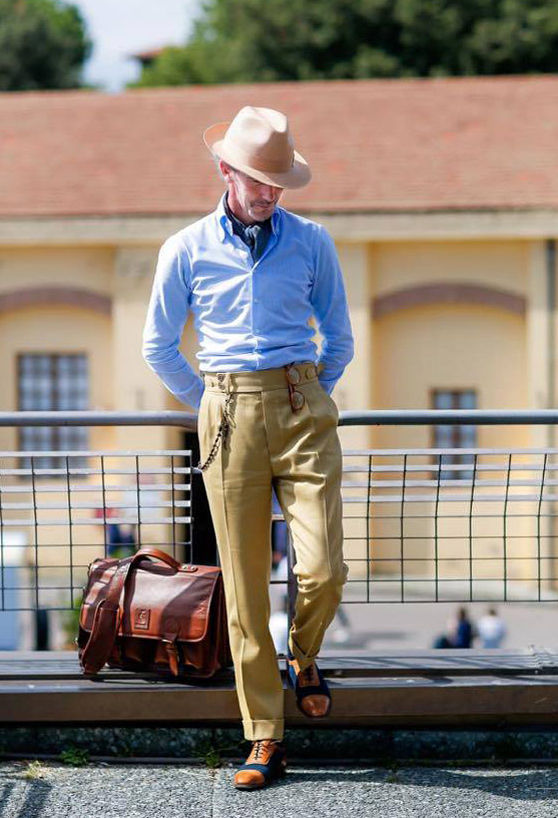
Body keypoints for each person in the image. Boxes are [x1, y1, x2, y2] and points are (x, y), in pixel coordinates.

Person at [142, 105, 354, 790]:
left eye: (279, 181)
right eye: (259, 179)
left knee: (322, 568)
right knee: (246, 591)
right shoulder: (185, 248)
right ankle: (263, 736)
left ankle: (305, 654)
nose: (270, 192)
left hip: (302, 408)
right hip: (226, 413)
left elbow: (339, 338)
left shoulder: (313, 241)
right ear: (226, 170)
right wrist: (209, 398)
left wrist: (305, 389)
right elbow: (158, 346)